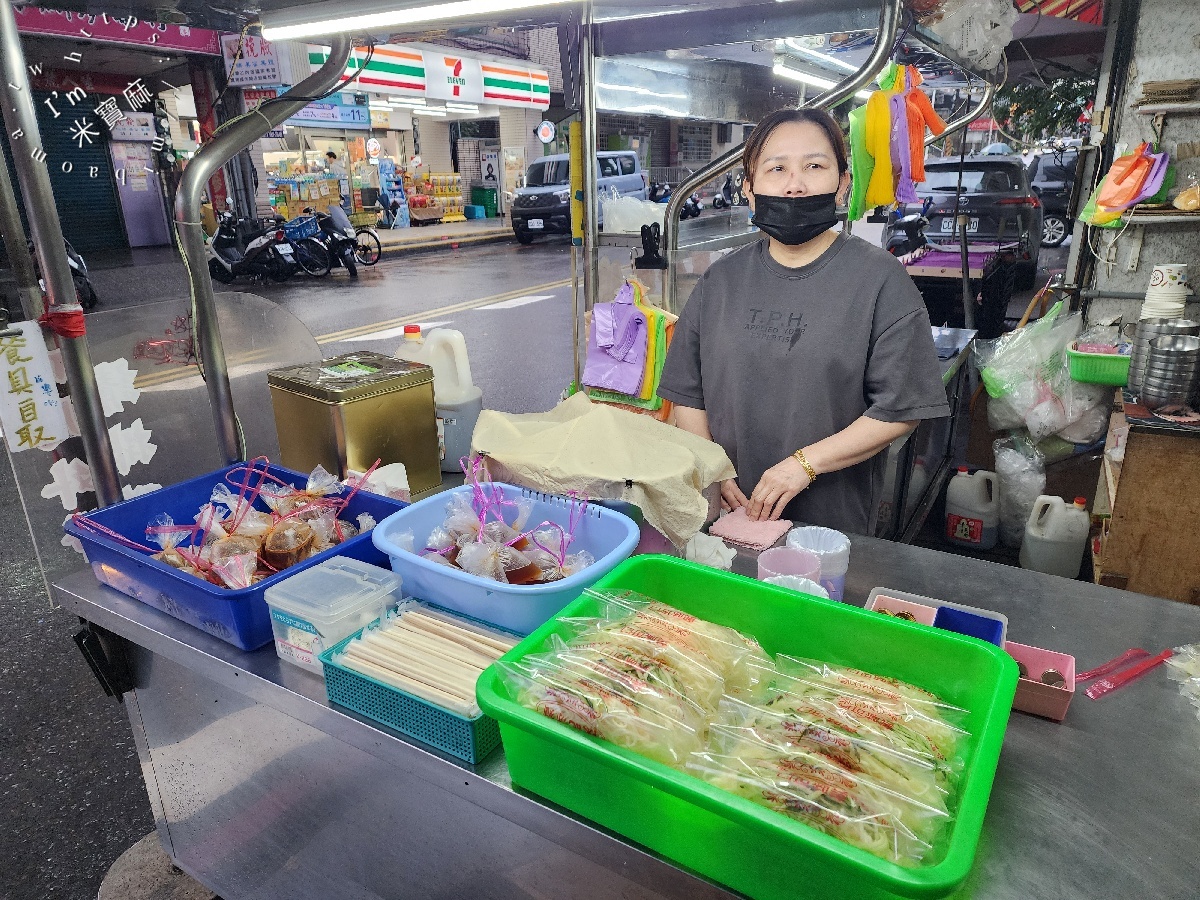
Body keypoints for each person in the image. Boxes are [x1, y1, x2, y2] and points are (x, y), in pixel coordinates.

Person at [657, 108, 950, 535]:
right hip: (728, 516)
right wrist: (714, 466)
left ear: (842, 183)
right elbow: (687, 392)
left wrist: (804, 466)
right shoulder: (720, 281)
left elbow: (901, 408)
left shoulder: (880, 281)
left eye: (814, 166)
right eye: (776, 169)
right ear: (750, 189)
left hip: (829, 527)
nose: (795, 185)